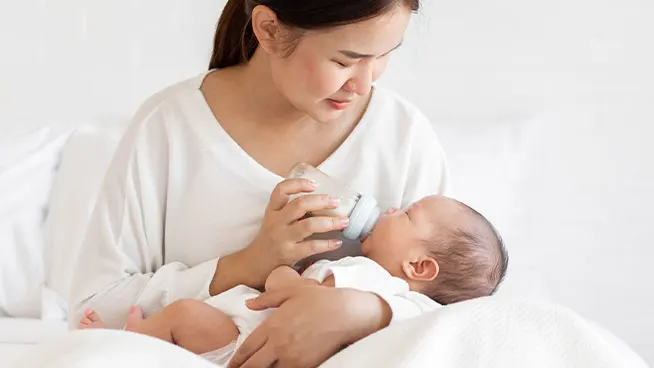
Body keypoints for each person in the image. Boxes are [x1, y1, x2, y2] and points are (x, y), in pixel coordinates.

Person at [69, 0, 453, 366]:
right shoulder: (168, 127)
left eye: (384, 55)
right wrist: (248, 264)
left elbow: (455, 314)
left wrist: (362, 310)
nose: (363, 85)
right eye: (344, 60)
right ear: (269, 29)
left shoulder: (403, 136)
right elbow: (93, 309)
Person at [78, 195, 509, 365]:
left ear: (420, 266)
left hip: (246, 340)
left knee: (182, 315)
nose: (392, 209)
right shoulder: (396, 302)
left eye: (408, 214)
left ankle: (129, 342)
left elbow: (293, 295)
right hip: (255, 345)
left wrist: (284, 269)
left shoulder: (367, 277)